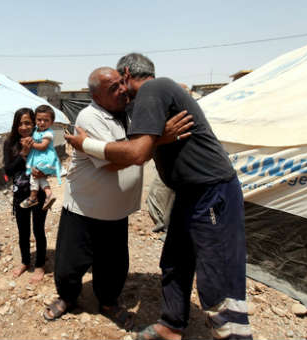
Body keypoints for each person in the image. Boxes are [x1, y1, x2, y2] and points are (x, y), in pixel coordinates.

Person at [66, 53, 252, 340]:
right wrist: (160, 138)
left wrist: (85, 143)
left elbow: (138, 153)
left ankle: (237, 336)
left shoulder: (154, 89)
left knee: (218, 275)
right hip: (188, 193)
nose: (119, 93)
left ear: (126, 73)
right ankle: (171, 324)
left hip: (210, 190)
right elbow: (144, 145)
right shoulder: (147, 99)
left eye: (118, 84)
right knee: (175, 261)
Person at [43, 67, 191, 330]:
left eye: (122, 83)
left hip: (116, 211)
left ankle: (109, 302)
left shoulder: (131, 111)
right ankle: (67, 297)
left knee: (113, 265)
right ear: (96, 96)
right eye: (113, 88)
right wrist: (159, 139)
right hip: (84, 209)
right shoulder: (89, 118)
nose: (123, 89)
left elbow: (169, 95)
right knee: (70, 264)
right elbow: (115, 160)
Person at [3, 108, 49, 284]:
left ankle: (39, 265)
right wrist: (23, 153)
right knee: (23, 231)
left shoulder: (42, 141)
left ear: (34, 124)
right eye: (20, 123)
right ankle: (24, 261)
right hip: (20, 194)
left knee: (38, 230)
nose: (24, 127)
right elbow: (8, 170)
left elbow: (51, 164)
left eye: (28, 123)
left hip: (39, 194)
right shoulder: (10, 143)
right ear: (16, 125)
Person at [20, 105, 61, 211]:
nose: (42, 123)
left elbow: (43, 147)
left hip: (44, 158)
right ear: (35, 120)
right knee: (40, 178)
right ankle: (48, 193)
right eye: (39, 120)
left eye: (46, 120)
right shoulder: (37, 131)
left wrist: (31, 143)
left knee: (34, 177)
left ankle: (33, 197)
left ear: (52, 122)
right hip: (39, 157)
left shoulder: (48, 133)